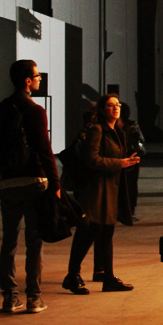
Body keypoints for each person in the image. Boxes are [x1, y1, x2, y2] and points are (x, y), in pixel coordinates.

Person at [0, 60, 61, 314]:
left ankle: (9, 297)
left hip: (9, 182)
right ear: (27, 81)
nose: (40, 78)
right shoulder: (35, 110)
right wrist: (56, 183)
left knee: (9, 242)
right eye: (37, 75)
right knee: (35, 242)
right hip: (34, 181)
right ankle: (33, 297)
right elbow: (44, 150)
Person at [62, 94, 140, 295]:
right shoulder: (98, 130)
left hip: (110, 189)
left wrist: (126, 162)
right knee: (87, 233)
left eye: (118, 105)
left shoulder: (117, 130)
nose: (116, 108)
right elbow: (93, 160)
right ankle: (72, 275)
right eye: (111, 105)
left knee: (105, 235)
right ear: (103, 109)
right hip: (97, 190)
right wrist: (119, 163)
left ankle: (108, 277)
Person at [120, 102, 145, 220]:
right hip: (123, 158)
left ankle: (129, 210)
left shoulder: (130, 125)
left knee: (130, 184)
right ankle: (126, 210)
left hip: (130, 157)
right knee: (126, 185)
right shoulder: (112, 126)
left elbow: (140, 140)